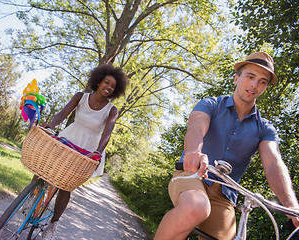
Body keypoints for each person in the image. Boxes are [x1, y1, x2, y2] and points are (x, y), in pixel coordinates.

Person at [154, 52, 299, 240]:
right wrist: (193, 152)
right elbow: (196, 127)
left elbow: (273, 162)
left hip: (224, 194)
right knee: (196, 208)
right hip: (192, 175)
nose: (255, 85)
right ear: (237, 78)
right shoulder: (211, 104)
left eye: (263, 81)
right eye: (250, 77)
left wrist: (291, 206)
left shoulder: (265, 129)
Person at [40, 64, 128, 239]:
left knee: (66, 186)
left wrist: (98, 152)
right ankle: (31, 198)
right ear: (98, 82)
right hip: (70, 136)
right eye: (107, 82)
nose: (109, 87)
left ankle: (52, 225)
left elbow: (106, 134)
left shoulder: (112, 110)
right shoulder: (80, 97)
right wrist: (51, 125)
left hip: (88, 147)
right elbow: (64, 113)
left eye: (113, 86)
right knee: (44, 165)